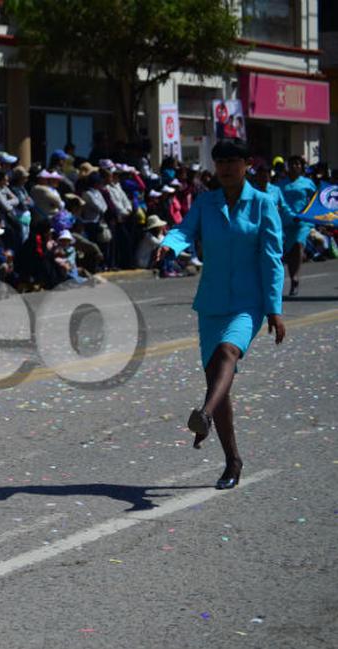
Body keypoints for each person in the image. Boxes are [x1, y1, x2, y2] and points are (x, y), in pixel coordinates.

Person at [155, 138, 284, 490]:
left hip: (248, 303)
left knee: (229, 352)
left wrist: (273, 308)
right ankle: (233, 460)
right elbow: (185, 230)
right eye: (220, 161)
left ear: (246, 165)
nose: (226, 167)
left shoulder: (263, 204)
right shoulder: (206, 203)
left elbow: (271, 258)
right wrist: (169, 245)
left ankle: (205, 415)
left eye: (233, 161)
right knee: (218, 382)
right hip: (211, 304)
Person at [275, 156, 317, 296]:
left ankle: (295, 277)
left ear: (301, 167)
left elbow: (315, 201)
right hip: (287, 222)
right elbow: (277, 202)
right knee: (291, 252)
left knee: (298, 245)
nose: (294, 167)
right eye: (291, 164)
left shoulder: (308, 183)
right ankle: (293, 279)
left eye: (297, 164)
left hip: (302, 222)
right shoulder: (281, 185)